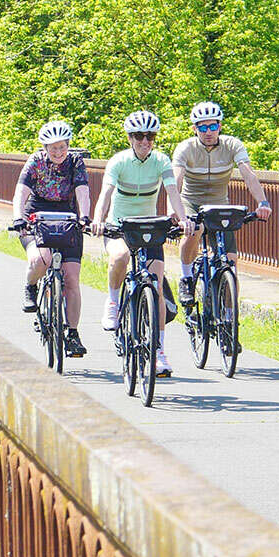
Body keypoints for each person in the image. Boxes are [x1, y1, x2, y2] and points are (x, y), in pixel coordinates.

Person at [90, 110, 194, 376]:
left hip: (149, 227)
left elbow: (173, 192)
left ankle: (159, 351)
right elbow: (105, 194)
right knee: (120, 258)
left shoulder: (160, 161)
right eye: (139, 136)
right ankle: (113, 302)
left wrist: (182, 220)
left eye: (150, 136)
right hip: (119, 226)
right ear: (129, 138)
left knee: (156, 287)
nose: (145, 141)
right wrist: (98, 219)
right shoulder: (119, 162)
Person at [172, 100, 273, 306]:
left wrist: (263, 202)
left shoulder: (232, 145)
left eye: (213, 126)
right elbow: (176, 181)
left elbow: (248, 174)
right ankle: (186, 278)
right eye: (202, 127)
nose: (208, 132)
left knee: (231, 262)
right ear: (194, 128)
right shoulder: (186, 148)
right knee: (195, 229)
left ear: (220, 126)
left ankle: (228, 318)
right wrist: (175, 212)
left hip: (219, 204)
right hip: (191, 201)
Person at [11, 119, 91, 357]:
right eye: (53, 147)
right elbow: (21, 192)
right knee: (41, 260)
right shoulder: (35, 161)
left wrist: (84, 216)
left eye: (62, 146)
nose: (58, 152)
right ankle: (31, 285)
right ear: (45, 147)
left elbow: (83, 191)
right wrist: (18, 218)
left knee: (71, 278)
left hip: (67, 215)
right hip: (37, 213)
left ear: (68, 145)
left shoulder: (76, 161)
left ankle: (73, 333)